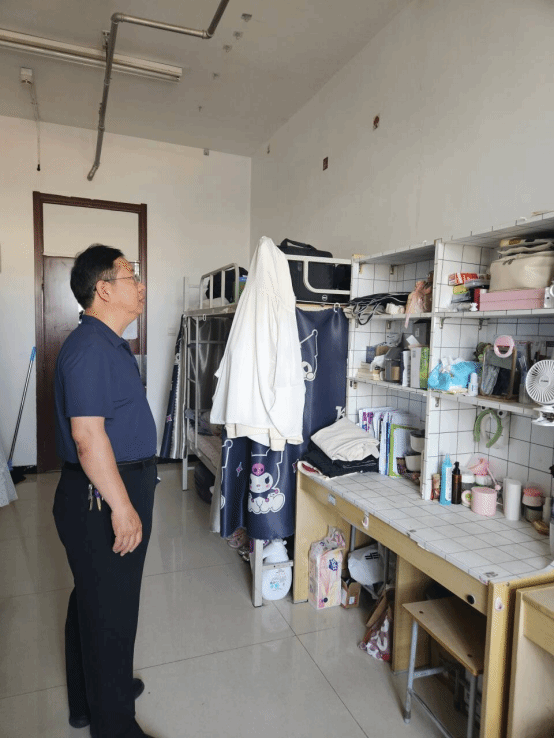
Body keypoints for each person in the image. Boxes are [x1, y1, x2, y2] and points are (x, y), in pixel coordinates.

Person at [53, 244, 157, 739]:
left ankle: (90, 696)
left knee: (94, 599)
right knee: (113, 611)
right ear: (104, 289)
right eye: (131, 275)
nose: (141, 285)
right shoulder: (90, 348)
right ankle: (114, 724)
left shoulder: (109, 344)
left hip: (106, 486)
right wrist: (123, 507)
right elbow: (87, 437)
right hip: (103, 494)